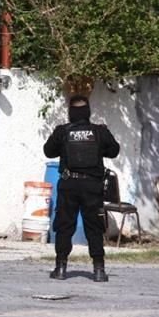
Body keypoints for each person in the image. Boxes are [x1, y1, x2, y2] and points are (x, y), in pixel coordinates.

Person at [43, 94, 120, 282]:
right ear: (88, 112)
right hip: (92, 185)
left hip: (69, 184)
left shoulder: (62, 131)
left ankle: (61, 268)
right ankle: (99, 270)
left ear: (70, 113)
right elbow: (114, 151)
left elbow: (48, 151)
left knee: (64, 226)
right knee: (94, 226)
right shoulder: (99, 132)